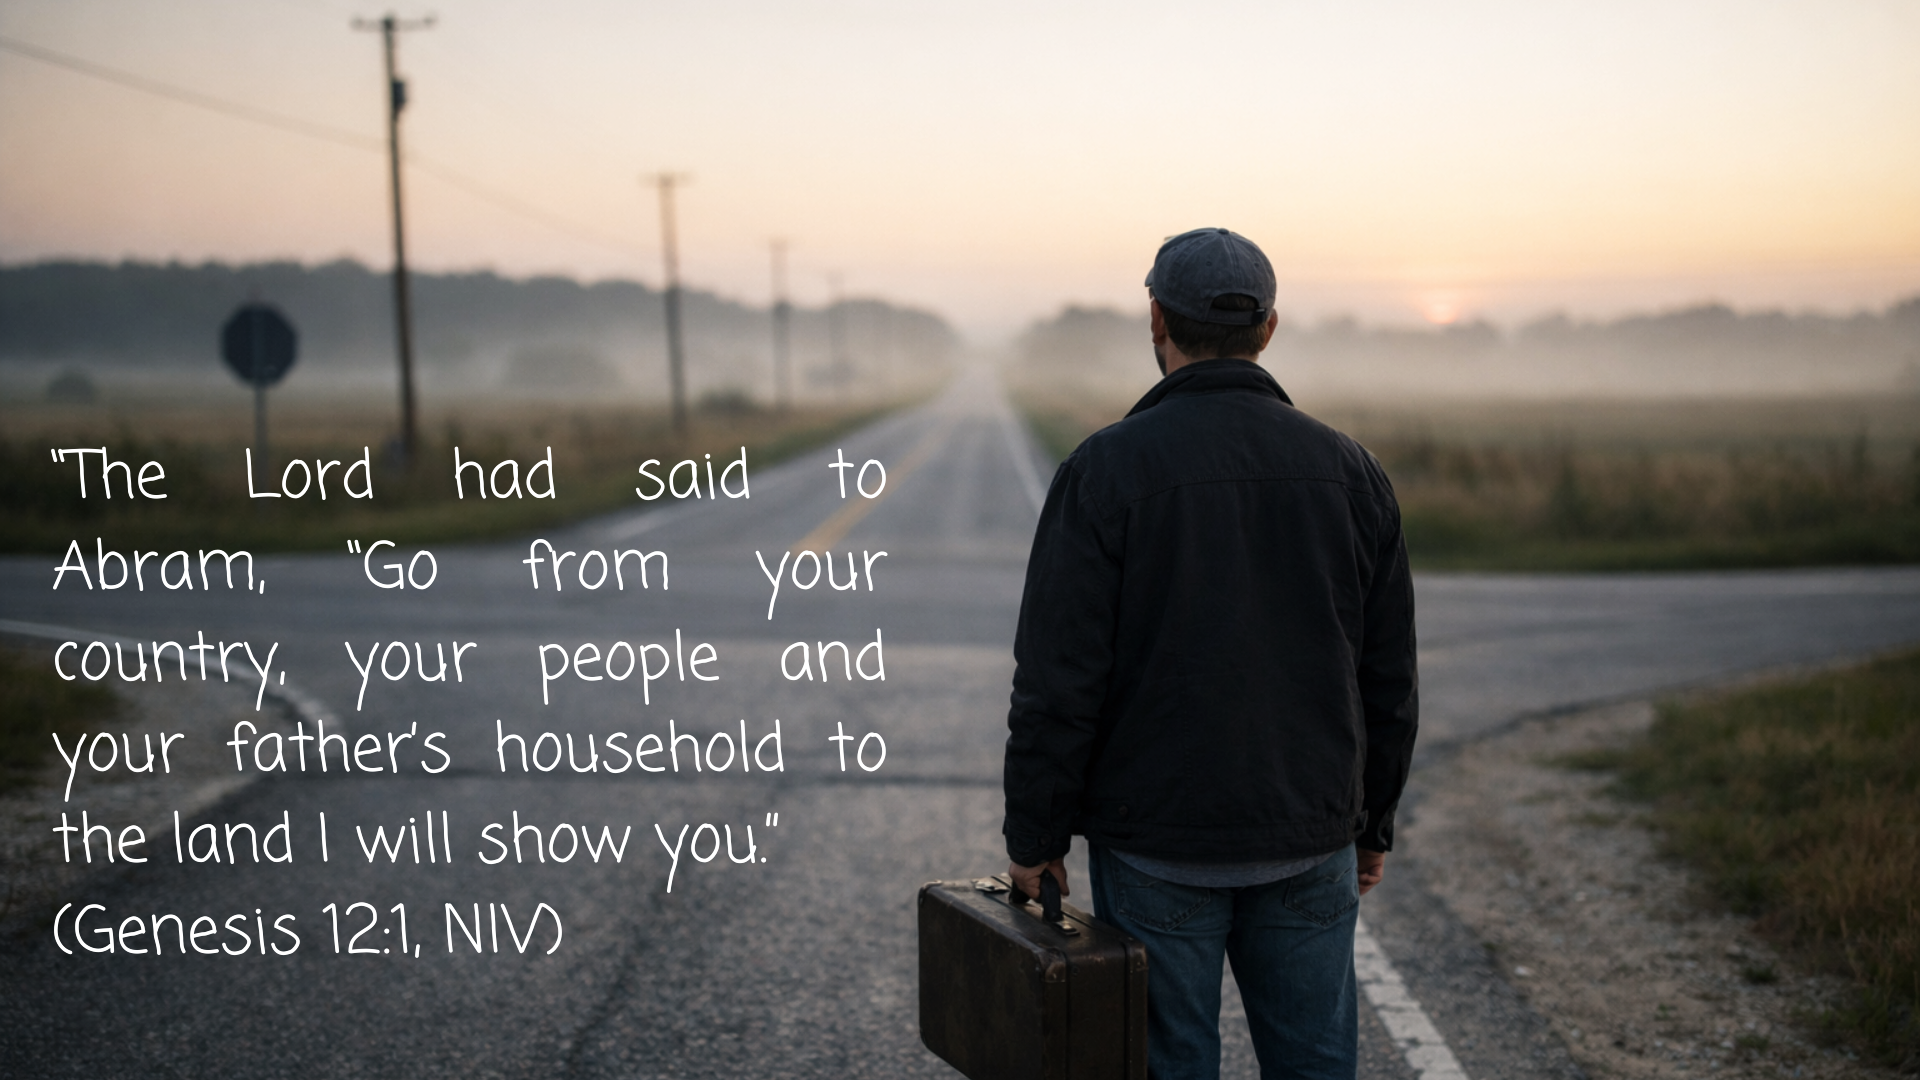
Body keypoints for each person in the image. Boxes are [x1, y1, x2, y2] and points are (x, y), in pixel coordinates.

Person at [1002, 227, 1419, 1079]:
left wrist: (1035, 833)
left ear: (1157, 318)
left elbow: (1059, 678)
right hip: (1310, 833)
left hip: (1158, 844)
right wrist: (1372, 821)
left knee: (1171, 1065)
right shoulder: (1353, 471)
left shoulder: (1103, 471)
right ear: (1268, 329)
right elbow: (1386, 676)